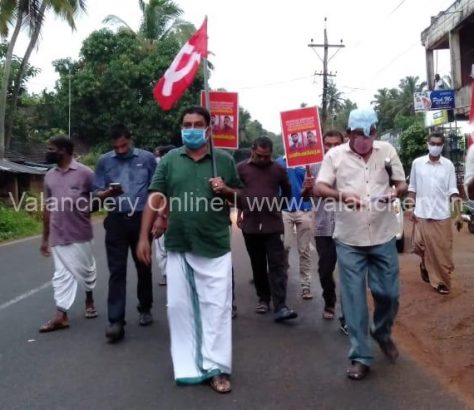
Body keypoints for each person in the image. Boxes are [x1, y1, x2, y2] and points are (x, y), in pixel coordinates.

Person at [137, 106, 241, 394]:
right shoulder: (170, 160)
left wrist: (227, 191)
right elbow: (156, 196)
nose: (191, 128)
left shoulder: (223, 161)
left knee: (216, 309)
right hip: (179, 244)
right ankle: (189, 367)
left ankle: (216, 367)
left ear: (208, 129)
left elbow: (243, 198)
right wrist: (143, 236)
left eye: (197, 124)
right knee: (179, 308)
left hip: (215, 244)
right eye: (186, 124)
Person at [315, 108, 407, 380]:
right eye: (359, 134)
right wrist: (342, 196)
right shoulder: (334, 156)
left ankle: (381, 331)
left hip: (382, 234)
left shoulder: (387, 151)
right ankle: (360, 356)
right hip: (349, 238)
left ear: (375, 131)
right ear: (349, 134)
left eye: (370, 133)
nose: (365, 139)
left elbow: (401, 183)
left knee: (388, 294)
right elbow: (320, 187)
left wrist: (394, 192)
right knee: (354, 298)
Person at [94, 123, 157, 343]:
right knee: (117, 271)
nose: (120, 150)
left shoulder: (147, 159)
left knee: (144, 266)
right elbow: (96, 193)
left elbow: (156, 191)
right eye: (116, 147)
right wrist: (107, 193)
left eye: (124, 145)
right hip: (116, 220)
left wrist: (157, 220)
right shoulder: (104, 161)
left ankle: (145, 307)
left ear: (131, 140)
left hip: (141, 219)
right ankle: (116, 321)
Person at [39, 136, 98, 332]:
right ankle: (61, 315)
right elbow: (47, 208)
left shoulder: (86, 174)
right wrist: (44, 238)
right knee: (61, 275)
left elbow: (97, 201)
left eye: (51, 148)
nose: (48, 151)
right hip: (58, 233)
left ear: (63, 150)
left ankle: (89, 298)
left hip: (81, 232)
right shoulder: (49, 176)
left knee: (86, 271)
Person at [237, 136, 298, 322]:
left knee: (277, 266)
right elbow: (235, 191)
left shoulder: (279, 169)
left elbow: (287, 192)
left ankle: (281, 306)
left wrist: (277, 205)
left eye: (267, 156)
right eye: (259, 156)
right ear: (252, 151)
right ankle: (263, 299)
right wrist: (241, 210)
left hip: (273, 225)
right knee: (257, 264)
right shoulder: (241, 169)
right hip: (251, 225)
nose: (263, 160)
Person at [407, 132, 462, 295]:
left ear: (443, 146)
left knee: (442, 251)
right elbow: (412, 188)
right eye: (433, 143)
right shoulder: (417, 163)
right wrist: (410, 208)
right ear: (427, 143)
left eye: (439, 144)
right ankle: (424, 264)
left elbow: (453, 190)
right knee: (418, 246)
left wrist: (457, 213)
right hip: (421, 213)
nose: (435, 146)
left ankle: (441, 282)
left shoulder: (449, 165)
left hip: (441, 214)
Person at [302, 130, 347, 328]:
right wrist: (307, 187)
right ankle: (329, 302)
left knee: (349, 272)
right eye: (327, 144)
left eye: (335, 144)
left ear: (343, 144)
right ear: (322, 145)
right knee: (324, 270)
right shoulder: (313, 166)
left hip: (347, 227)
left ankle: (348, 315)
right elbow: (304, 196)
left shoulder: (351, 166)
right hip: (323, 228)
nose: (330, 148)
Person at [275, 156, 313, 300]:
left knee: (304, 250)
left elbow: (312, 188)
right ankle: (282, 275)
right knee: (284, 246)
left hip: (304, 209)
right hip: (285, 210)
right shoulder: (279, 162)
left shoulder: (307, 162)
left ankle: (306, 286)